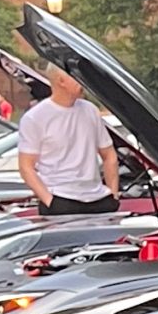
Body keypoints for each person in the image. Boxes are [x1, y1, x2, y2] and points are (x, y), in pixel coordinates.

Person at [17, 64, 120, 214]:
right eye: (74, 76)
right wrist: (49, 200)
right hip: (60, 198)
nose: (81, 81)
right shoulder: (35, 118)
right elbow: (26, 166)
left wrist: (113, 194)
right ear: (61, 81)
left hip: (98, 199)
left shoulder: (90, 110)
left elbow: (109, 154)